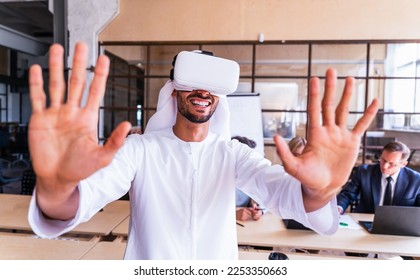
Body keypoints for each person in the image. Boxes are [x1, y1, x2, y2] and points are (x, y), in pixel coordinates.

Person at [27, 41, 378, 259]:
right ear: (175, 90)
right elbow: (82, 198)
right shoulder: (140, 150)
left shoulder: (233, 154)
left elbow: (284, 195)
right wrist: (57, 187)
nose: (203, 91)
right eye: (192, 82)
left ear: (219, 97)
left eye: (211, 86)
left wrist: (321, 189)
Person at [337, 141, 420, 214]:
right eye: (383, 160)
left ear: (403, 164)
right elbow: (347, 194)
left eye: (391, 164)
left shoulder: (416, 179)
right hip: (366, 221)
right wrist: (338, 208)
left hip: (400, 226)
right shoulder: (364, 172)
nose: (384, 166)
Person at [232, 136, 265, 221]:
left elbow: (267, 199)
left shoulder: (251, 175)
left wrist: (259, 210)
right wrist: (233, 215)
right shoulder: (219, 178)